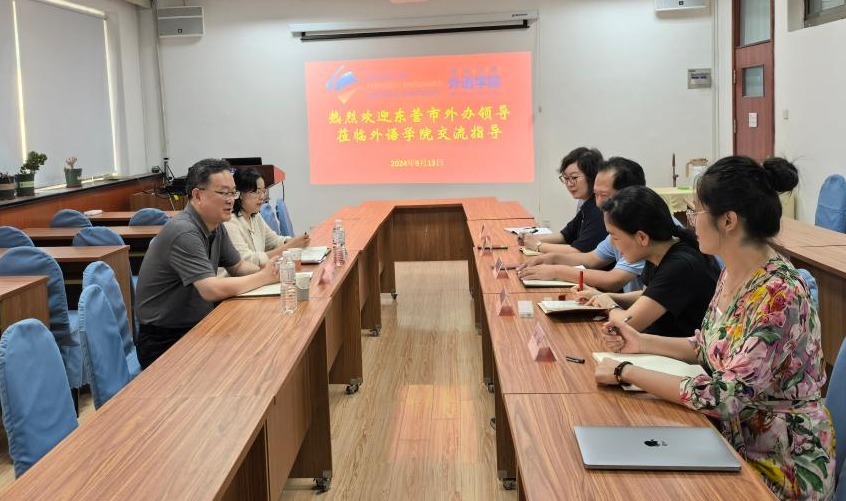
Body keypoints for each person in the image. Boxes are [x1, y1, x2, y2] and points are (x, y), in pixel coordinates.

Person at [595, 156, 834, 500]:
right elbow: (708, 346)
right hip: (734, 436)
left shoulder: (778, 293)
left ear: (728, 220)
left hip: (780, 460)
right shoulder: (733, 273)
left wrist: (625, 371)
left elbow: (725, 397)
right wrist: (641, 342)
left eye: (696, 212)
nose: (690, 221)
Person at [135, 158, 279, 369]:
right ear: (197, 195)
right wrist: (262, 277)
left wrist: (270, 271)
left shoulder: (215, 226)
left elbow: (238, 267)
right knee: (247, 362)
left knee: (259, 344)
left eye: (233, 193)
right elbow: (210, 289)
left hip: (197, 326)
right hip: (165, 341)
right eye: (224, 193)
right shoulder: (184, 232)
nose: (231, 200)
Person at [577, 185, 719, 336]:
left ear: (642, 237)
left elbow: (626, 324)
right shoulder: (657, 253)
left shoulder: (680, 265)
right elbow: (649, 296)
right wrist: (603, 296)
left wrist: (609, 305)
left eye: (615, 237)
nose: (612, 244)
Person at [517, 157, 647, 292]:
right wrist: (552, 258)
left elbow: (613, 280)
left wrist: (556, 271)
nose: (598, 203)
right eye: (596, 194)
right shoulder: (618, 223)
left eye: (604, 195)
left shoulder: (642, 229)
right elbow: (592, 259)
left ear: (630, 194)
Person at [219, 167, 309, 276]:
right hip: (235, 281)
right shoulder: (229, 222)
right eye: (257, 192)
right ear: (240, 194)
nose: (262, 197)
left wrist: (294, 241)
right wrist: (288, 247)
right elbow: (246, 261)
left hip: (255, 276)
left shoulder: (255, 216)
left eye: (263, 191)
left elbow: (274, 242)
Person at [520, 147, 606, 254]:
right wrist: (531, 239)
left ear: (592, 176)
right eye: (565, 178)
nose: (569, 184)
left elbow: (578, 251)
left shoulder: (599, 208)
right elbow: (565, 235)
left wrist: (538, 245)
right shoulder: (586, 204)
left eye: (574, 177)